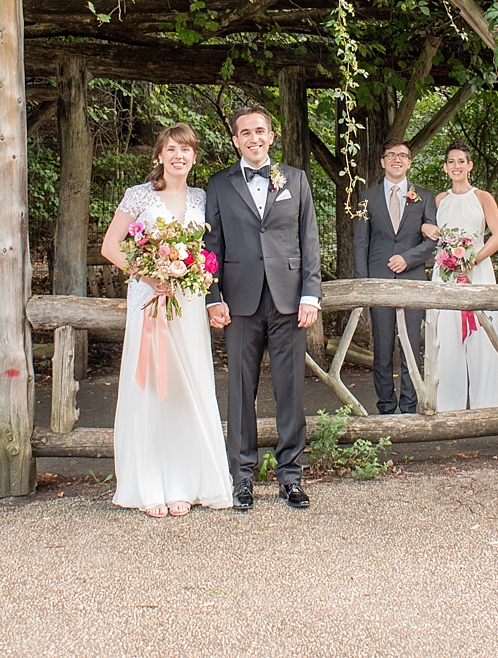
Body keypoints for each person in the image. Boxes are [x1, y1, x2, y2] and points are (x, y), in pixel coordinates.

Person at [101, 123, 234, 517]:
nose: (179, 156)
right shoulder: (138, 196)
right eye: (172, 149)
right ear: (159, 155)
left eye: (187, 150)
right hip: (151, 302)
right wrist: (149, 273)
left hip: (188, 305)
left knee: (185, 388)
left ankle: (184, 484)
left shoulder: (202, 197)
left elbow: (208, 252)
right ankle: (150, 485)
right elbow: (111, 246)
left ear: (194, 157)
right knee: (151, 387)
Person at [204, 105, 322, 511]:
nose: (254, 138)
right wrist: (212, 296)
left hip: (289, 299)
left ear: (271, 136)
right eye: (245, 133)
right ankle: (242, 478)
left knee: (290, 390)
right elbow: (210, 247)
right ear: (236, 140)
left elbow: (309, 240)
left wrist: (311, 294)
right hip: (239, 301)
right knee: (240, 390)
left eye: (260, 131)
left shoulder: (296, 179)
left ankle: (291, 475)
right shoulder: (218, 185)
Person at [351, 139, 439, 414]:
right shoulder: (367, 198)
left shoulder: (424, 197)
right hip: (378, 282)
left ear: (410, 162)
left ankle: (410, 406)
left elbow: (434, 240)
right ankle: (386, 406)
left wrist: (408, 258)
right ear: (382, 161)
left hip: (412, 280)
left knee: (411, 345)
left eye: (403, 155)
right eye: (391, 155)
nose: (397, 159)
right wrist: (364, 286)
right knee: (383, 347)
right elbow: (360, 243)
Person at [426, 142, 498, 411]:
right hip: (447, 273)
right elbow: (428, 229)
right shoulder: (439, 200)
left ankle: (487, 407)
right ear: (445, 167)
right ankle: (449, 407)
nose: (456, 166)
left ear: (470, 165)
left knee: (483, 339)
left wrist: (474, 259)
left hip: (477, 271)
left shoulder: (482, 197)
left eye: (461, 161)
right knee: (447, 338)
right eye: (451, 162)